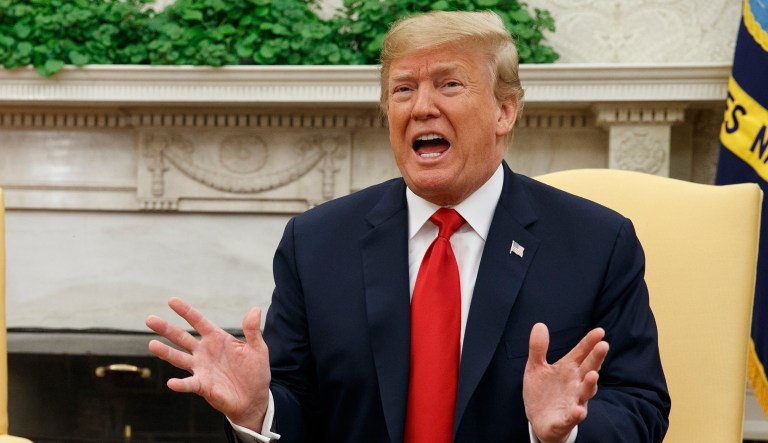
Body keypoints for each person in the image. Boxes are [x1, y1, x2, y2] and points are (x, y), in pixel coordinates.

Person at [146, 10, 670, 443]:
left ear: (504, 111)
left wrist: (565, 434)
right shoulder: (317, 243)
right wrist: (258, 411)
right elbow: (298, 403)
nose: (421, 107)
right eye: (403, 89)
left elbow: (642, 408)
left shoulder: (597, 243)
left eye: (449, 84)